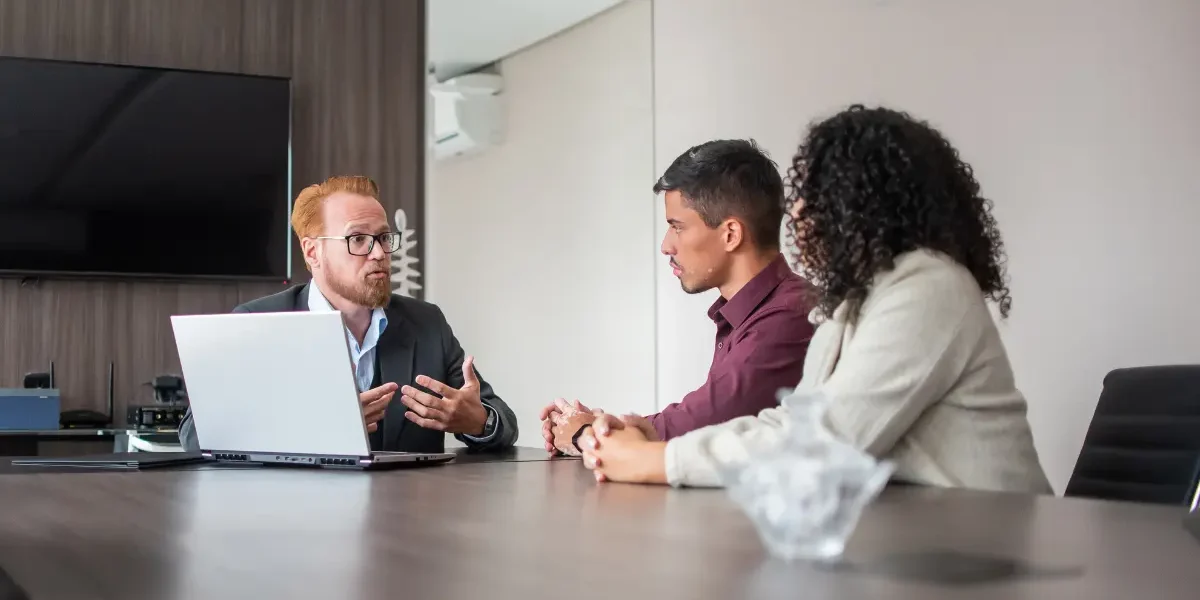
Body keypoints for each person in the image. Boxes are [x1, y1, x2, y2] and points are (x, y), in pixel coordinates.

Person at [576, 105, 1053, 494]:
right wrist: (651, 449)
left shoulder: (930, 288)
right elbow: (796, 423)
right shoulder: (856, 305)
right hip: (928, 544)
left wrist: (658, 460)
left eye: (815, 194)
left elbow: (828, 444)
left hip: (995, 548)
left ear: (862, 205)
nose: (798, 211)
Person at [178, 175, 518, 453]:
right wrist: (316, 425)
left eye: (384, 238)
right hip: (296, 524)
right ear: (313, 252)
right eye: (358, 239)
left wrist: (479, 423)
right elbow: (196, 436)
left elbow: (501, 420)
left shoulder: (427, 323)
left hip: (408, 524)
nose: (380, 254)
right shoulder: (256, 323)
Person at [540, 139, 815, 456]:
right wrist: (601, 428)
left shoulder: (790, 315)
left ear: (731, 234)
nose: (666, 246)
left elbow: (710, 422)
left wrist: (588, 434)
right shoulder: (753, 311)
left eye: (678, 227)